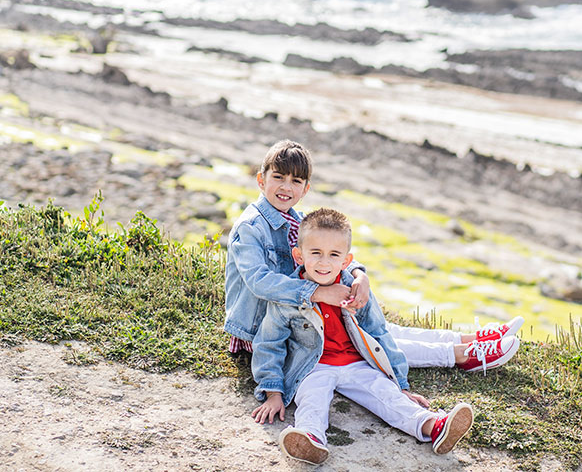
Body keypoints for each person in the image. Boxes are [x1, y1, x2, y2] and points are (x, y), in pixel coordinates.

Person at [223, 139, 523, 373]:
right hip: (265, 330)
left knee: (381, 328)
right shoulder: (251, 227)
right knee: (364, 342)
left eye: (296, 181)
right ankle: (460, 357)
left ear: (306, 188)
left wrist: (358, 275)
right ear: (261, 180)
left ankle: (471, 339)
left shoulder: (297, 218)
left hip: (299, 311)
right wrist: (319, 292)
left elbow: (330, 250)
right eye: (278, 178)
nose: (286, 187)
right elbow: (258, 282)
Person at [251, 208, 475, 464]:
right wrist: (273, 393)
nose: (324, 262)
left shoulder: (356, 291)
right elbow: (269, 344)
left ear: (346, 261)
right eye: (316, 253)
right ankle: (310, 440)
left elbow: (379, 333)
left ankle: (433, 425)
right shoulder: (289, 297)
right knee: (312, 399)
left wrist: (400, 383)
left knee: (385, 394)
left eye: (334, 255)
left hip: (357, 362)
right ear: (299, 255)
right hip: (312, 367)